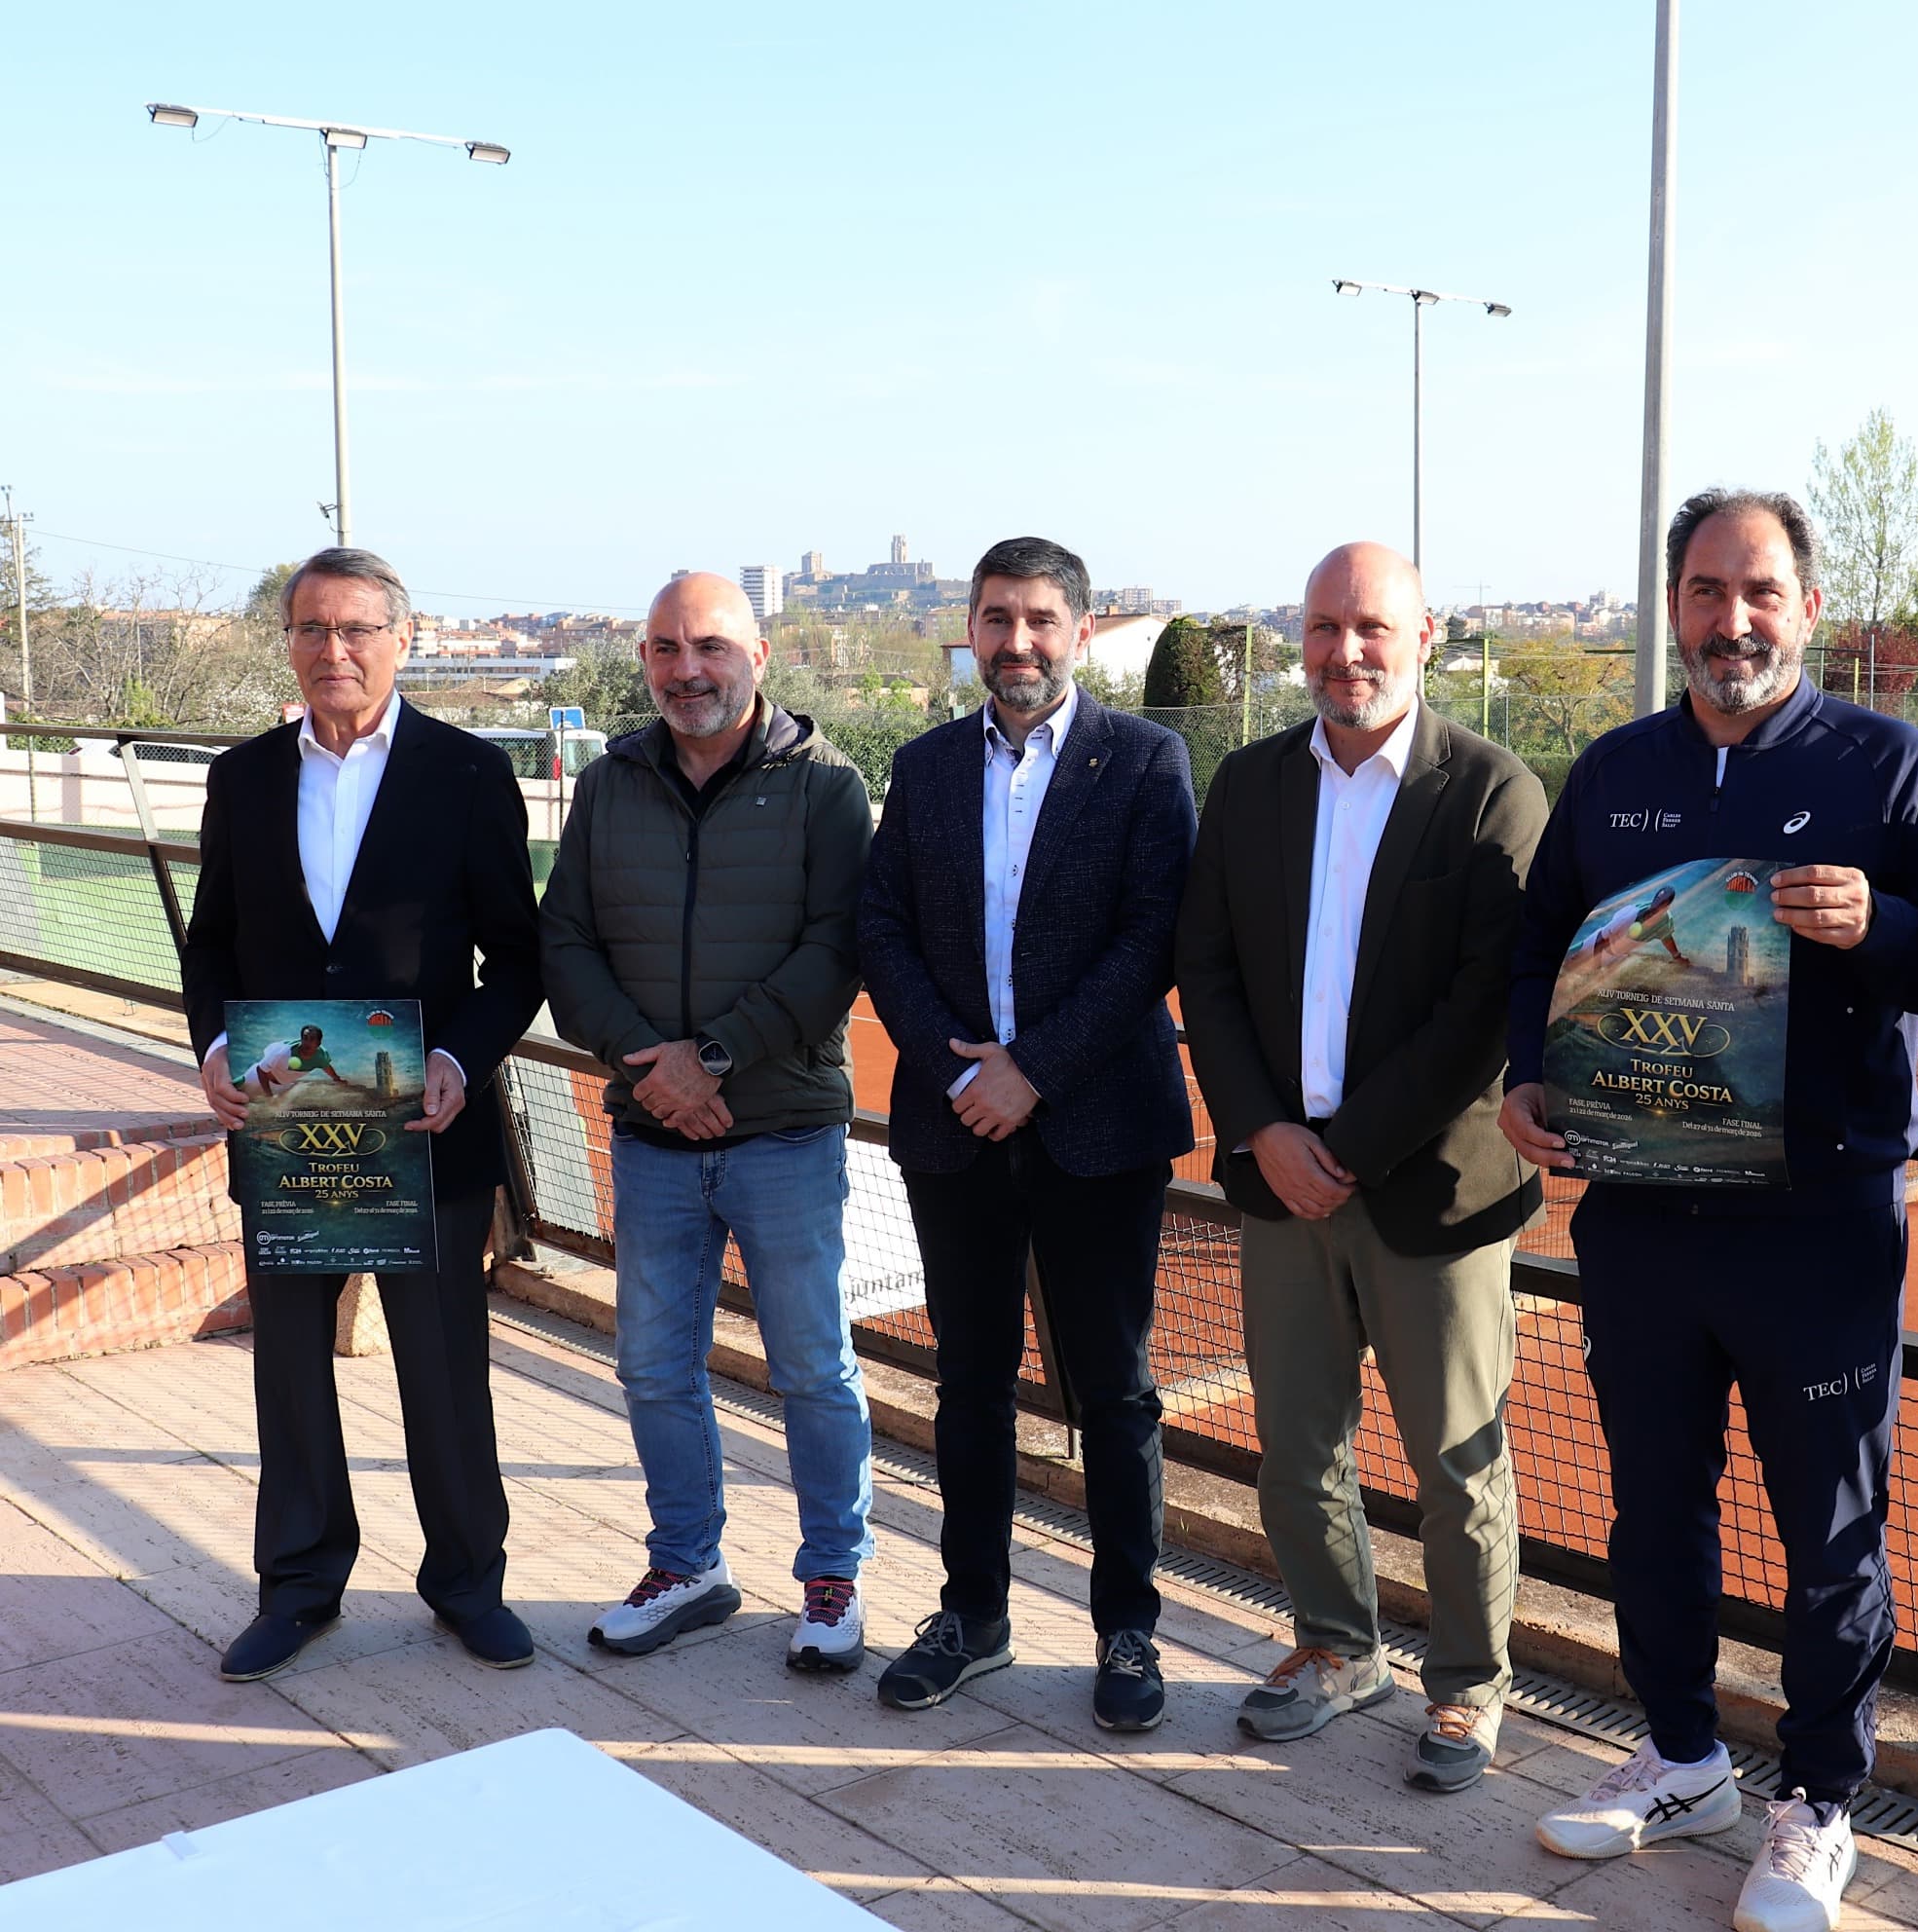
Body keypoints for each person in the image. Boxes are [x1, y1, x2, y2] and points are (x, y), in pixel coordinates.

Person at [1501, 490, 1918, 1932]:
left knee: (1828, 1534)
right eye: (1708, 592)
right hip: (1642, 1216)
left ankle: (1819, 1801)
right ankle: (1681, 1760)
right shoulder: (1614, 771)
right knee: (1651, 1507)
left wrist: (1883, 926)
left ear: (1807, 607)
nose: (1734, 620)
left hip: (1818, 1227)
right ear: (1674, 608)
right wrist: (1528, 1076)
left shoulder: (1889, 769)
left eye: (1761, 590)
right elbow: (1541, 944)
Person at [1176, 540, 1548, 1793]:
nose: (1346, 652)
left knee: (1455, 1464)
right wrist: (1261, 1129)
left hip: (1433, 1191)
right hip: (1279, 1182)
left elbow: (1480, 1012)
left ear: (1424, 635)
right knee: (1296, 1447)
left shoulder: (1490, 790)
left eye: (1371, 626)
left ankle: (1468, 1685)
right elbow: (1205, 968)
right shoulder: (1249, 783)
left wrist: (1339, 1148)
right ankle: (1337, 1649)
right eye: (1325, 627)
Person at [181, 546, 543, 1681]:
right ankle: (298, 1586)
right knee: (290, 1367)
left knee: (442, 1369)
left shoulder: (469, 772)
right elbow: (212, 943)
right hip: (287, 1120)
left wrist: (458, 1057)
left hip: (424, 1128)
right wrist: (213, 1049)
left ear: (401, 639)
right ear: (288, 642)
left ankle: (467, 1584)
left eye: (355, 629)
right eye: (310, 629)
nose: (332, 650)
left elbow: (518, 959)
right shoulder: (241, 777)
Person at [854, 537, 1196, 1731]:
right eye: (997, 618)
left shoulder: (1144, 760)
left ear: (1080, 632)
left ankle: (1127, 1630)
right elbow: (880, 925)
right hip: (955, 1126)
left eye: (1040, 619)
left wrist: (1031, 1071)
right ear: (971, 630)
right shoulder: (924, 765)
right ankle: (973, 1614)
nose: (1017, 642)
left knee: (1114, 1391)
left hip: (1096, 1128)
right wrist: (963, 1071)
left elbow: (1152, 938)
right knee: (968, 1384)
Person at [539, 572, 876, 1673]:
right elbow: (565, 942)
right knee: (652, 1367)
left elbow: (835, 952)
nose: (687, 669)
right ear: (645, 659)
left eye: (711, 647)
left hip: (784, 1134)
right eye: (666, 649)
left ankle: (832, 1577)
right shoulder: (609, 784)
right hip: (652, 1134)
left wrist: (713, 1057)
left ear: (758, 656)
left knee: (812, 1368)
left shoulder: (826, 786)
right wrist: (651, 1067)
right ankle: (688, 1564)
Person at [246, 1024, 361, 1099]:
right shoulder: (283, 1053)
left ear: (318, 1043)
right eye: (305, 1038)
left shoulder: (321, 1056)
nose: (307, 1042)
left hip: (284, 1085)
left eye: (312, 1039)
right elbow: (260, 1070)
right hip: (257, 1079)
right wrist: (269, 1096)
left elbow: (326, 1066)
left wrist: (337, 1079)